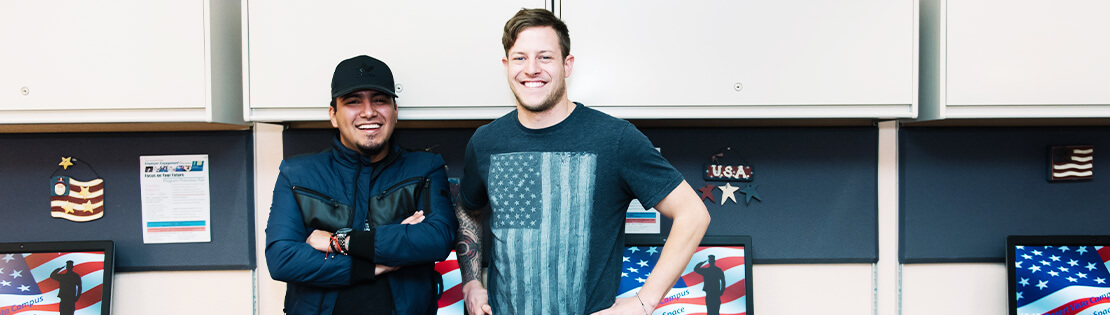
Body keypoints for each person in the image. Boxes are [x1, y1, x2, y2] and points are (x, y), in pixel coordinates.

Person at [454, 8, 711, 315]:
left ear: (567, 64)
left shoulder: (615, 138)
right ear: (507, 65)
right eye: (520, 58)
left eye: (545, 57)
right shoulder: (485, 142)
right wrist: (471, 282)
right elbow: (468, 210)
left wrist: (644, 303)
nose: (531, 69)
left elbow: (693, 214)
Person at [265, 55, 458, 315]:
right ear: (333, 115)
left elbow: (437, 239)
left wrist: (339, 241)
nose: (368, 111)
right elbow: (283, 260)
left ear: (395, 111)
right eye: (353, 101)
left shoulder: (424, 168)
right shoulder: (297, 174)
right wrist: (377, 264)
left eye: (380, 100)